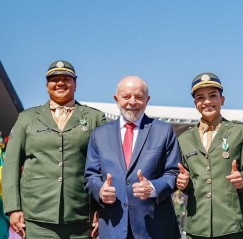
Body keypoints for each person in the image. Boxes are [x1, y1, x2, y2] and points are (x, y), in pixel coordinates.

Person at [2, 60, 106, 238]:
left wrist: (102, 209)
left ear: (75, 84)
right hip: (35, 217)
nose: (60, 83)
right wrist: (13, 208)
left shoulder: (95, 118)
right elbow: (11, 164)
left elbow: (105, 167)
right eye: (54, 79)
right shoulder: (27, 118)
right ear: (46, 85)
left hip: (81, 217)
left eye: (66, 78)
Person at [84, 75, 181, 239]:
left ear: (147, 99)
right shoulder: (99, 135)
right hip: (113, 227)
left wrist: (153, 187)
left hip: (154, 228)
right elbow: (90, 176)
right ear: (116, 99)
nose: (132, 102)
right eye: (126, 97)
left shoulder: (164, 131)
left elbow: (173, 173)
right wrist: (100, 190)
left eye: (138, 97)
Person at [176, 73, 243, 238]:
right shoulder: (184, 139)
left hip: (233, 225)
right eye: (200, 98)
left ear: (222, 100)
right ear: (195, 103)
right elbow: (188, 181)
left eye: (213, 96)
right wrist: (183, 183)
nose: (207, 102)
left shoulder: (241, 132)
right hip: (197, 226)